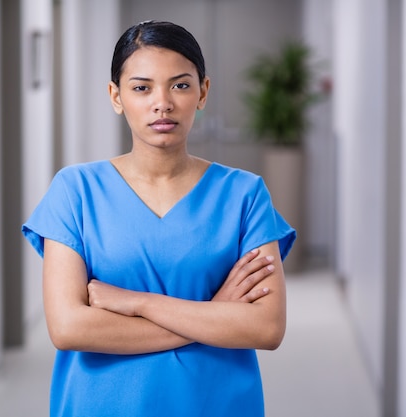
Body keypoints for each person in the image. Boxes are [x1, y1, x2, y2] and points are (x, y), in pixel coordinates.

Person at [22, 20, 296, 417]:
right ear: (116, 96)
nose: (162, 102)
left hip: (215, 403)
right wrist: (214, 313)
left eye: (181, 85)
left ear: (203, 92)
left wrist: (136, 303)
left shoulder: (244, 194)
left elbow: (266, 329)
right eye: (141, 87)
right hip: (100, 405)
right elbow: (68, 329)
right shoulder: (76, 190)